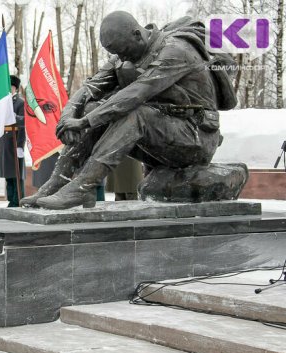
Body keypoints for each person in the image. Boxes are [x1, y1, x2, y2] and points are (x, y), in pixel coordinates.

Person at [20, 11, 230, 209]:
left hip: (196, 138)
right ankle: (58, 182)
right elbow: (90, 87)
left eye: (124, 52)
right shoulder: (125, 55)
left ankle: (83, 186)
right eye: (116, 54)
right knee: (93, 107)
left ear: (138, 36)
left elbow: (137, 93)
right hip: (163, 136)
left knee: (135, 114)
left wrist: (84, 122)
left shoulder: (176, 51)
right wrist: (68, 116)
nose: (122, 58)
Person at [0, 75, 25, 207]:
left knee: (16, 174)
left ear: (15, 88)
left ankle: (18, 199)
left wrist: (20, 145)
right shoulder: (4, 102)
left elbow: (24, 123)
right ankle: (10, 199)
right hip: (5, 142)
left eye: (10, 87)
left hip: (14, 142)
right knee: (8, 174)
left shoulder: (20, 102)